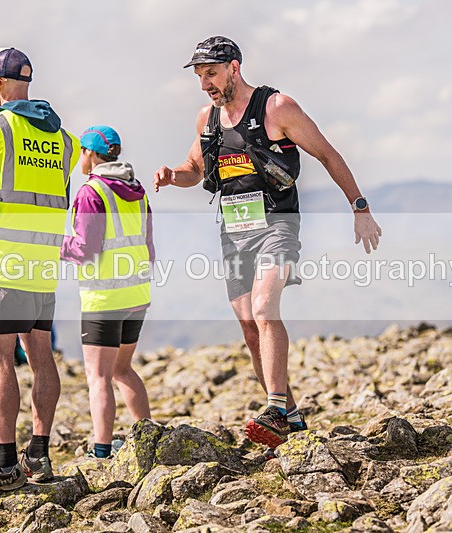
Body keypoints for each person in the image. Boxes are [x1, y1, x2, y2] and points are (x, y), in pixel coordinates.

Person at [153, 37, 382, 451]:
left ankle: (274, 407)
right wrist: (173, 176)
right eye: (200, 76)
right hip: (234, 230)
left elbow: (328, 155)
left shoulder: (276, 107)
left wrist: (359, 206)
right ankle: (291, 417)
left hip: (278, 222)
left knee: (264, 305)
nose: (205, 83)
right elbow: (194, 167)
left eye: (211, 73)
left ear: (234, 68)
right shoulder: (207, 118)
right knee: (248, 324)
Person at [0, 47, 79, 493]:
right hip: (42, 263)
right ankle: (38, 456)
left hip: (1, 264)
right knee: (41, 356)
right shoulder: (65, 141)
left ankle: (4, 462)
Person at [61, 126, 154, 459]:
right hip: (137, 294)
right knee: (122, 369)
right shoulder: (138, 191)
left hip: (104, 297)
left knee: (98, 375)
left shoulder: (91, 192)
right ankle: (149, 436)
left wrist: (56, 246)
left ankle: (101, 450)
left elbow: (85, 248)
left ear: (89, 153)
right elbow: (148, 246)